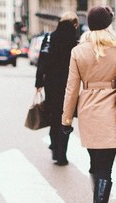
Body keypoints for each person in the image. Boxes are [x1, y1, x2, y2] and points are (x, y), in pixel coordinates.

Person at [61, 6, 116, 203]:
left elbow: (71, 88)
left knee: (95, 164)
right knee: (107, 167)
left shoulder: (78, 51)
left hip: (89, 113)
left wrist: (66, 119)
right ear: (108, 24)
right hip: (113, 112)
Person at [35, 11, 79, 166]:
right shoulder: (75, 42)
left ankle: (54, 147)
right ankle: (62, 155)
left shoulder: (49, 38)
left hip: (51, 85)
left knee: (54, 117)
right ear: (74, 24)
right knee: (66, 119)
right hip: (69, 86)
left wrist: (38, 82)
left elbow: (43, 61)